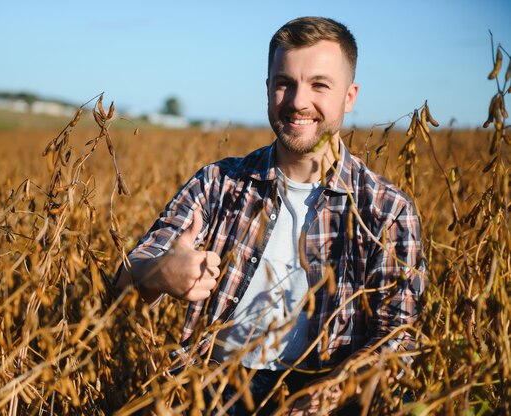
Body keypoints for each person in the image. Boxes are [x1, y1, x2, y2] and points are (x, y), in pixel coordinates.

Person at [116, 16, 426, 414]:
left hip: (328, 393)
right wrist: (160, 273)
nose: (298, 101)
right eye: (285, 83)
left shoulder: (386, 210)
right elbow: (123, 280)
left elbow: (397, 339)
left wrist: (325, 398)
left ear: (349, 96)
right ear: (267, 90)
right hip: (210, 386)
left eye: (319, 85)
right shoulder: (218, 183)